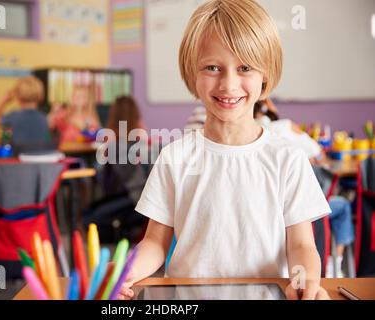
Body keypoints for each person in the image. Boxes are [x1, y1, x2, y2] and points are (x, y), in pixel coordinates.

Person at [119, 0, 331, 300]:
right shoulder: (175, 158)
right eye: (212, 67)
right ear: (193, 74)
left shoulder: (288, 158)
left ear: (265, 75)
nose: (229, 84)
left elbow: (301, 245)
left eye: (245, 67)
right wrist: (126, 272)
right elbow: (155, 242)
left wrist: (306, 281)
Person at [254, 100, 355, 277]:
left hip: (269, 213)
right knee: (343, 206)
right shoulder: (285, 126)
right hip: (311, 208)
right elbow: (318, 152)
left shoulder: (246, 136)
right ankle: (336, 265)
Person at [0, 76, 54, 154]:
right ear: (41, 96)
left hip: (17, 163)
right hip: (40, 163)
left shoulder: (12, 117)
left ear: (18, 96)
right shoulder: (45, 119)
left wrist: (4, 100)